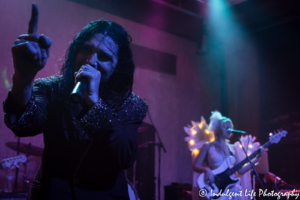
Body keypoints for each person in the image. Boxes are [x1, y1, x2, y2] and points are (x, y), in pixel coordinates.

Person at [3, 3, 148, 200]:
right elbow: (24, 124)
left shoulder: (131, 104)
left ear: (117, 67)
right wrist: (24, 77)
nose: (91, 60)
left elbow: (124, 156)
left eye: (104, 57)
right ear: (75, 51)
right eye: (86, 49)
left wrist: (95, 104)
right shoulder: (51, 88)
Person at [192, 111, 264, 200]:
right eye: (225, 126)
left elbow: (240, 171)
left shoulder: (233, 148)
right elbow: (195, 166)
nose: (229, 128)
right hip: (215, 187)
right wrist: (206, 169)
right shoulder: (208, 145)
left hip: (232, 189)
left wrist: (257, 158)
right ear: (218, 128)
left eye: (230, 126)